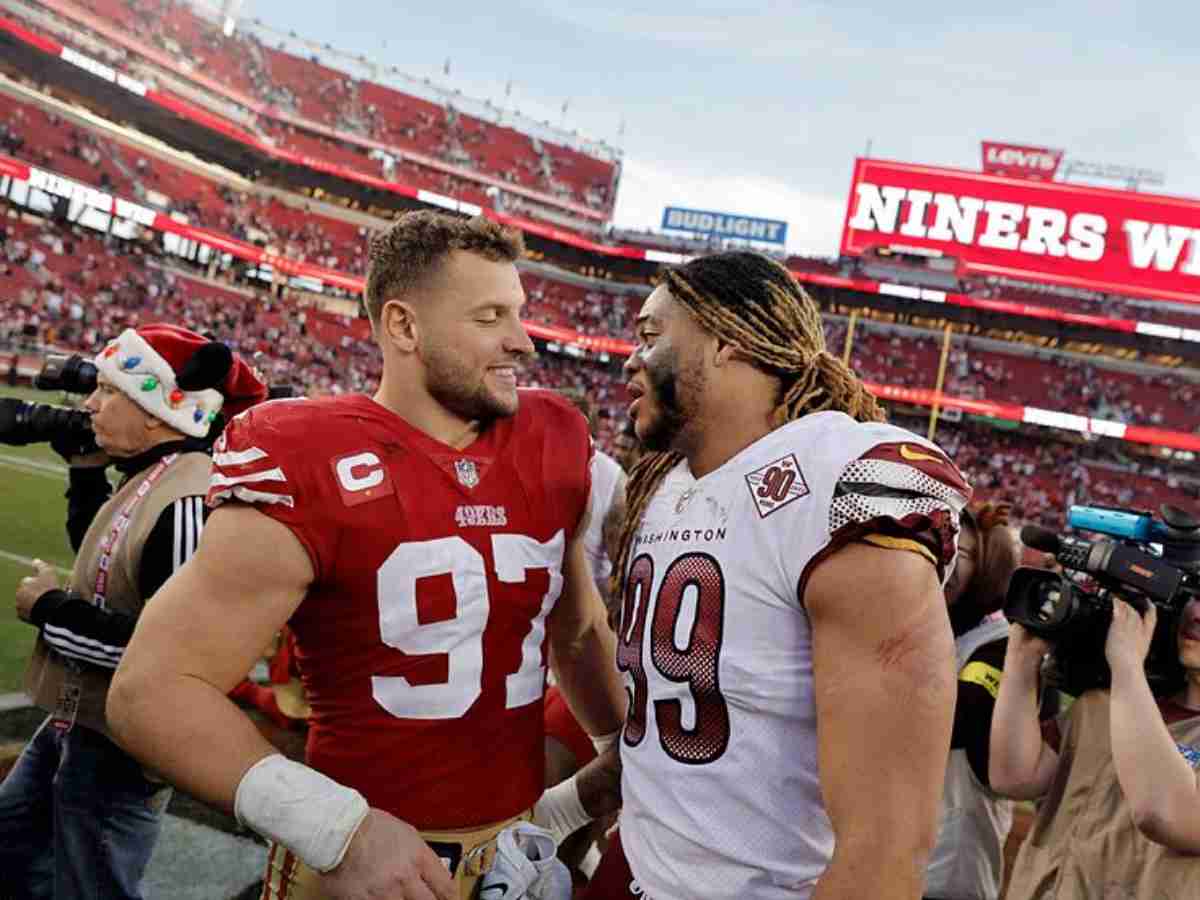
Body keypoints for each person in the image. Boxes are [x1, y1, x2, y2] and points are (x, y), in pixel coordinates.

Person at [107, 212, 627, 900]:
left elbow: (579, 628)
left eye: (519, 312)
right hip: (362, 865)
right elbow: (151, 691)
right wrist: (336, 829)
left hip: (513, 854)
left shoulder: (552, 435)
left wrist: (623, 747)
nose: (522, 341)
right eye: (490, 316)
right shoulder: (303, 453)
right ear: (404, 327)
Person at [590, 251, 971, 900]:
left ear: (725, 342)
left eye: (652, 336)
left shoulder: (840, 481)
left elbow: (884, 847)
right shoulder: (661, 484)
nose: (630, 357)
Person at [0, 324, 266, 899]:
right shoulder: (155, 473)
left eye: (108, 390)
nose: (89, 403)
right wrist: (84, 469)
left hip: (122, 747)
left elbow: (169, 658)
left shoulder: (187, 497)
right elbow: (106, 561)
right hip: (84, 721)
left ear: (156, 411)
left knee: (93, 888)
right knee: (13, 852)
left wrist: (48, 608)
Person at [991, 596, 1200, 898]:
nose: (1195, 614)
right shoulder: (1105, 705)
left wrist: (1127, 665)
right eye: (1197, 594)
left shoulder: (1125, 688)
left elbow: (1163, 813)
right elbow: (1013, 777)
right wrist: (1022, 661)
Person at [924, 502, 1029, 900]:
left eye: (962, 553)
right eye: (940, 546)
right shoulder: (930, 623)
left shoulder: (998, 644)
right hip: (891, 852)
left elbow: (951, 724)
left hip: (948, 870)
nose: (945, 561)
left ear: (990, 566)